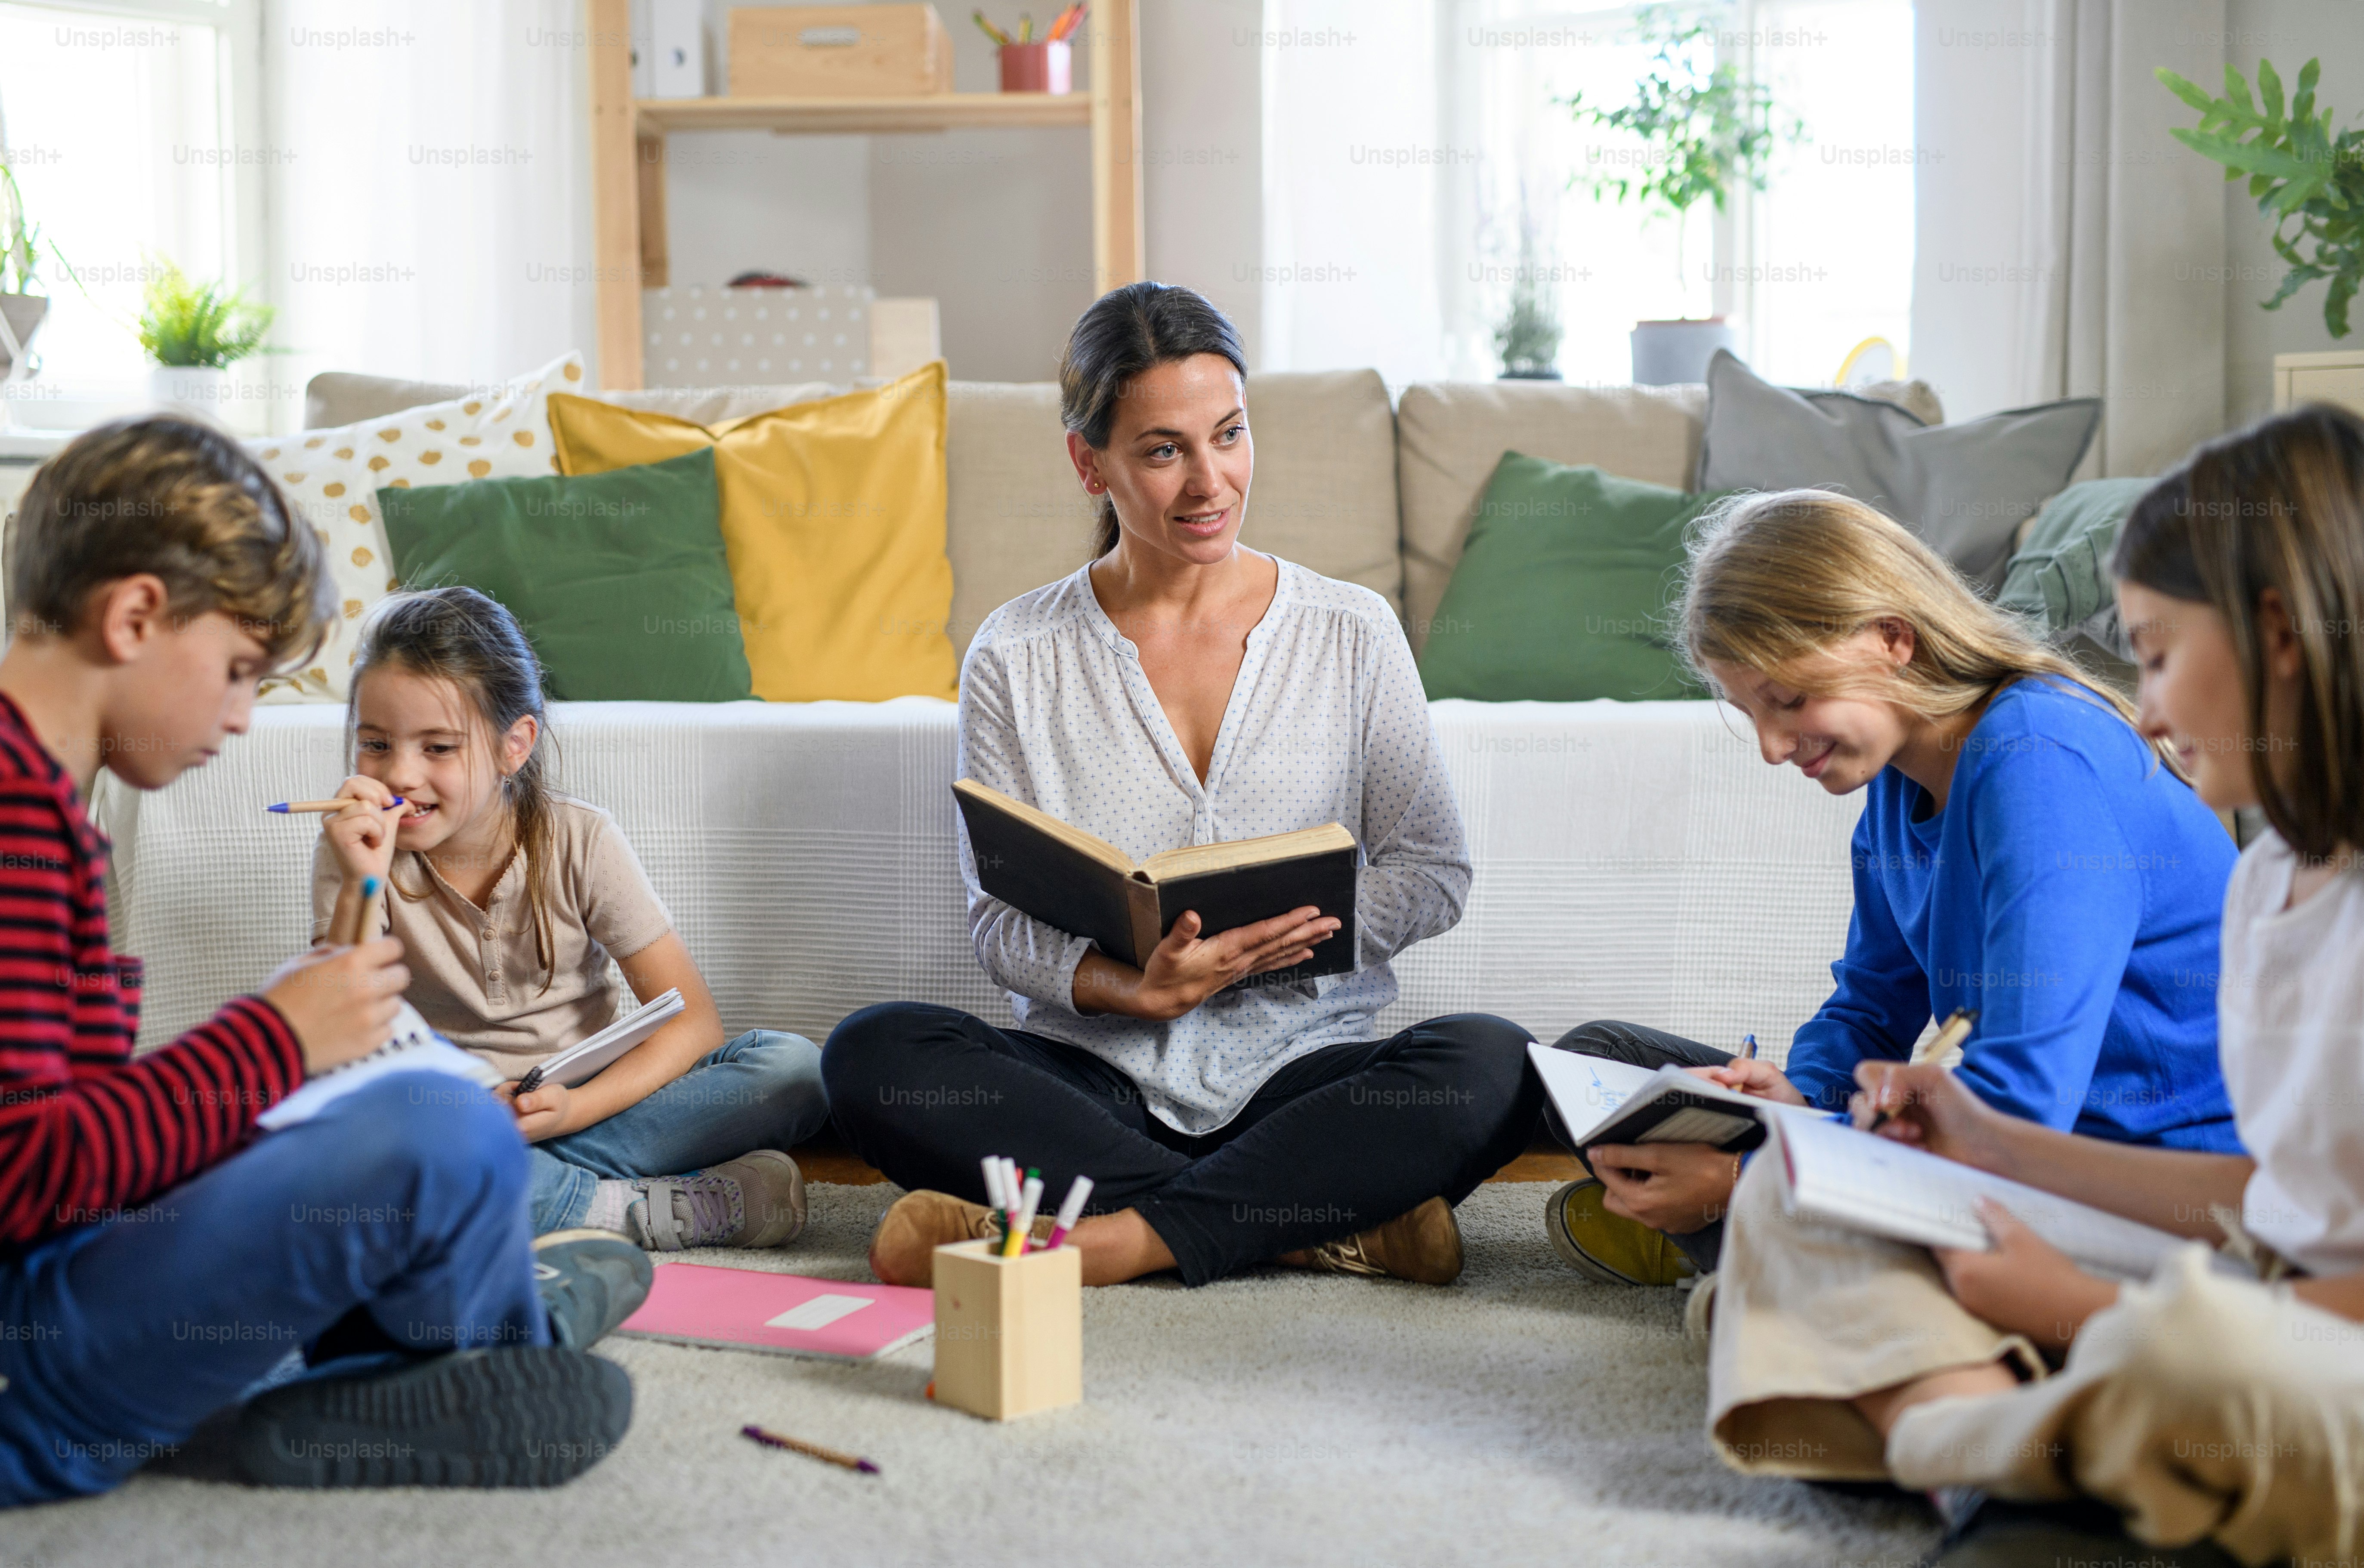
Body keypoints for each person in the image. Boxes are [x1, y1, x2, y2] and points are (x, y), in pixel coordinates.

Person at [1704, 404, 2364, 1564]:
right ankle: (2014, 1434)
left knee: (2193, 1347)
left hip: (2196, 1239)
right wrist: (1821, 1117)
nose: (2142, 710)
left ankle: (1955, 1429)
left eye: (2156, 654)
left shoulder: (2040, 755)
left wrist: (2063, 1302)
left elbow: (2033, 1089)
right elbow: (2270, 1193)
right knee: (1780, 1190)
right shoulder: (2272, 877)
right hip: (2191, 1228)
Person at [823, 282, 1541, 1289]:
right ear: (1090, 463)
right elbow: (999, 924)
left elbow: (1433, 870)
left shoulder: (1350, 630)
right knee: (875, 1053)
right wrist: (1133, 989)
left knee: (1490, 1064)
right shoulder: (1017, 652)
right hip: (1093, 1078)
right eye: (1163, 450)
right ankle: (1300, 1219)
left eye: (1229, 436)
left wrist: (1264, 951)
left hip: (1301, 1070)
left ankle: (1106, 1238)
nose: (1211, 481)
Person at [0, 419, 645, 1503]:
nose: (244, 718)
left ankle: (444, 1333)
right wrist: (271, 1042)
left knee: (424, 1128)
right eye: (241, 671)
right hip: (34, 1365)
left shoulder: (46, 805)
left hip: (60, 1290)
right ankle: (493, 1337)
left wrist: (276, 1069)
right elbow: (25, 1170)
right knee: (447, 1136)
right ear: (135, 616)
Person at [1541, 489, 2240, 1290]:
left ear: (1891, 640)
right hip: (1995, 1152)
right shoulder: (1895, 784)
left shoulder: (2041, 763)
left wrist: (1753, 1173)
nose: (1771, 748)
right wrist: (1802, 1093)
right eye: (1749, 713)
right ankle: (1754, 1246)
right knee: (1605, 1060)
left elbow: (2017, 1108)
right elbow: (1872, 1003)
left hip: (2127, 1180)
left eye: (1791, 701)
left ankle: (1745, 1240)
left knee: (1763, 1197)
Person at [313, 587, 828, 1249]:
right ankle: (637, 1210)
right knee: (363, 1154)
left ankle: (525, 1192)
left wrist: (574, 1110)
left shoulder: (581, 839)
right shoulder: (356, 854)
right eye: (376, 744)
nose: (400, 775)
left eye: (438, 748)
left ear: (514, 745)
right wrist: (362, 881)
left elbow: (694, 1022)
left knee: (792, 1068)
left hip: (587, 1102)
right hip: (450, 1120)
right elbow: (337, 1046)